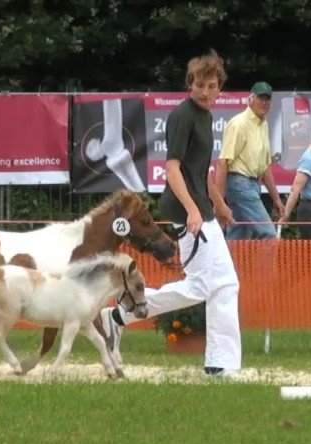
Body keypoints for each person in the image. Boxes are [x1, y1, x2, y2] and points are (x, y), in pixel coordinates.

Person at [99, 50, 242, 378]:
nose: (205, 91)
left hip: (203, 211)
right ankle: (121, 314)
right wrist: (192, 210)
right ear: (190, 84)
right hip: (187, 210)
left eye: (212, 86)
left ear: (220, 88)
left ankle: (221, 364)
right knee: (201, 286)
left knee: (225, 284)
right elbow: (173, 170)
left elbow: (199, 172)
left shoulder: (204, 116)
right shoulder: (183, 116)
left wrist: (219, 204)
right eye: (200, 85)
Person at [216, 81, 285, 240]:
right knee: (268, 233)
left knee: (239, 232)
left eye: (267, 99)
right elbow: (222, 162)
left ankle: (224, 265)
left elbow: (265, 167)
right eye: (260, 98)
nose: (264, 102)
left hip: (253, 185)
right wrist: (219, 202)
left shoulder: (264, 125)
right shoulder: (238, 123)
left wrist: (276, 199)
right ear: (251, 99)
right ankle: (266, 267)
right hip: (239, 184)